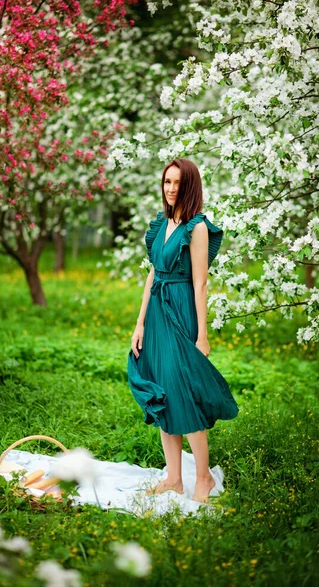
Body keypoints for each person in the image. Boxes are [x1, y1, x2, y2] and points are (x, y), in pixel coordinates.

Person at [127, 158, 239, 504]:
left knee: (184, 393)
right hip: (157, 315)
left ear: (190, 186)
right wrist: (140, 322)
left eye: (178, 183)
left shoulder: (198, 227)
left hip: (182, 311)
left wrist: (202, 334)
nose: (171, 189)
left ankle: (202, 478)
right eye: (166, 182)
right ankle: (174, 478)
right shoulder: (162, 223)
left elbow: (201, 283)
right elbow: (152, 274)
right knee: (161, 392)